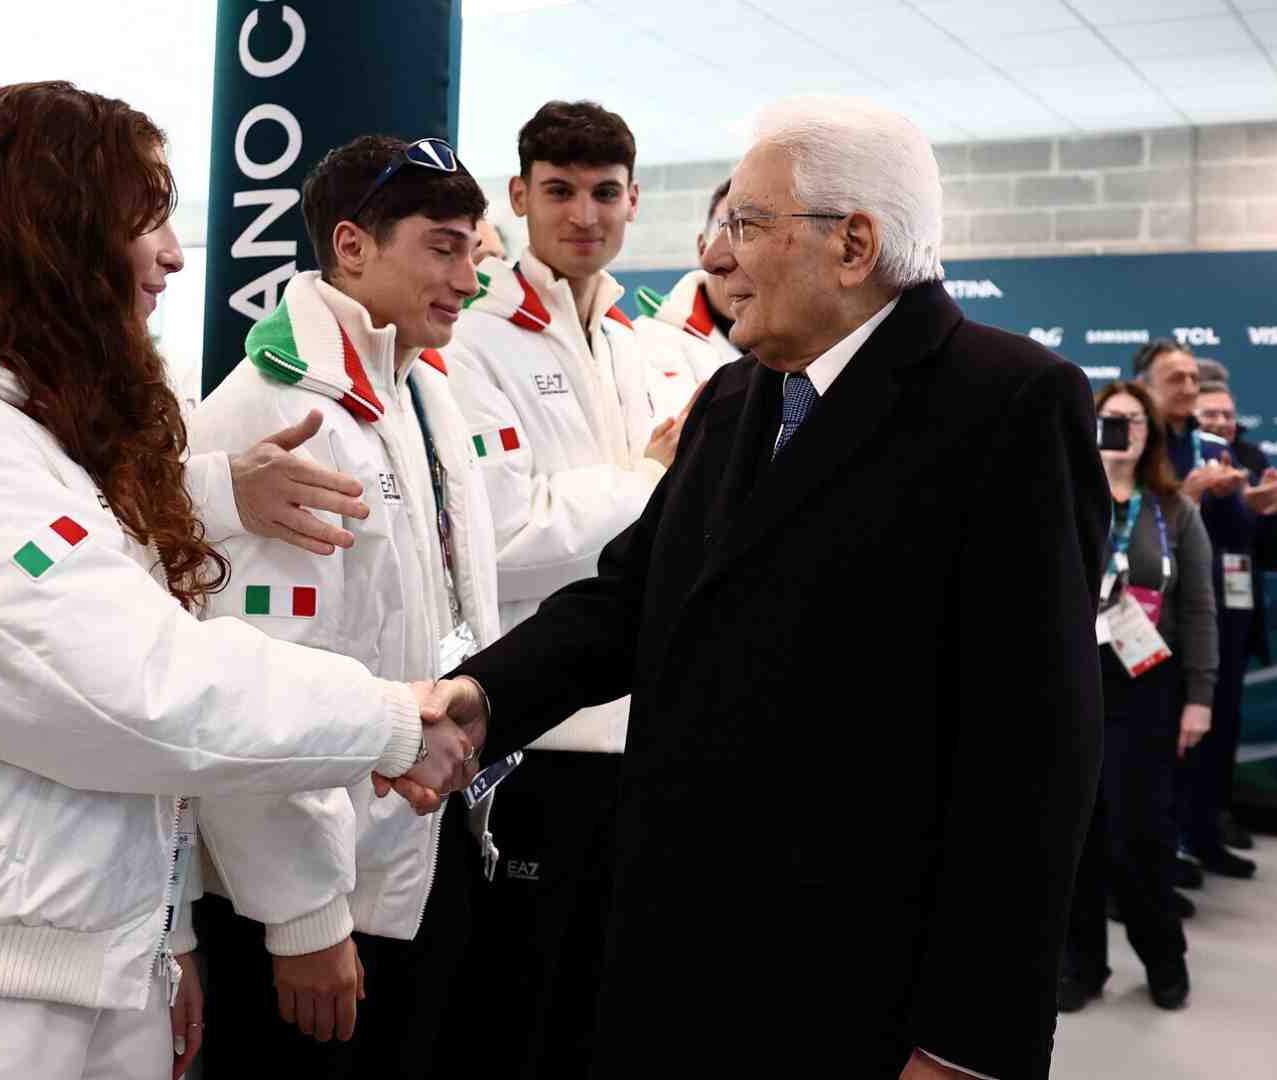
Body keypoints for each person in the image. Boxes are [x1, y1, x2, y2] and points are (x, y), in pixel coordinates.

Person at [0, 81, 475, 1080]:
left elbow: (114, 702)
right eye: (147, 219)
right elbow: (133, 689)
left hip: (69, 956)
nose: (174, 254)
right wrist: (393, 718)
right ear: (55, 235)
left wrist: (161, 936)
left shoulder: (25, 428)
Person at [413, 96, 1110, 1078]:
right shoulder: (737, 395)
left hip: (853, 985)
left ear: (853, 244)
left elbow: (1032, 748)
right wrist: (481, 699)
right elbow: (629, 601)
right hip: (675, 953)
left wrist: (967, 1041)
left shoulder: (1007, 404)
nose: (714, 255)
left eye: (743, 223)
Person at [187, 134, 497, 1078]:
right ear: (353, 246)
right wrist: (303, 916)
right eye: (443, 248)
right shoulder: (278, 414)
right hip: (319, 900)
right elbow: (250, 689)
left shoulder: (418, 389)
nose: (469, 279)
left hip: (413, 850)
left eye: (474, 251)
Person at [438, 98, 671, 1079]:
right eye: (560, 190)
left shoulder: (638, 340)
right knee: (519, 1017)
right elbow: (500, 538)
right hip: (533, 731)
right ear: (520, 196)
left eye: (605, 192)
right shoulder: (470, 342)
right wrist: (652, 481)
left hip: (643, 733)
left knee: (609, 1016)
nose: (584, 214)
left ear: (634, 200)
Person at [1061, 380, 1216, 1014]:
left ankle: (1163, 958)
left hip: (1146, 680)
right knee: (1075, 832)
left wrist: (1201, 696)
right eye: (1110, 418)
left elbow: (1199, 608)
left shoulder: (1174, 511)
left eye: (1135, 420)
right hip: (1073, 681)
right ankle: (1081, 964)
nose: (1122, 431)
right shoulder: (1065, 498)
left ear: (1151, 435)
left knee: (1140, 833)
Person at [1134, 342, 1258, 882]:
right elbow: (1127, 526)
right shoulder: (1135, 443)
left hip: (1209, 608)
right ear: (1146, 386)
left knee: (1208, 730)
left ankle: (1201, 838)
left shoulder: (1211, 446)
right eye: (1175, 378)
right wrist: (1188, 495)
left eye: (1192, 376)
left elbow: (1240, 536)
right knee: (1151, 749)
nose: (1189, 387)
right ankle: (1154, 862)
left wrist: (1245, 503)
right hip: (1145, 618)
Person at [1180, 368, 1277, 865]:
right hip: (1185, 616)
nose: (1223, 422)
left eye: (1228, 413)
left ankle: (1210, 827)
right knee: (1182, 730)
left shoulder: (1251, 459)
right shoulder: (1180, 457)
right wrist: (1212, 497)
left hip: (1237, 614)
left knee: (1224, 725)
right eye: (1211, 413)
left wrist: (1268, 512)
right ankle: (1174, 837)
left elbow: (1272, 550)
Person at [632, 176, 740, 419]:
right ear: (703, 248)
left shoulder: (805, 344)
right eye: (726, 230)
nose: (738, 256)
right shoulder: (643, 340)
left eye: (753, 233)